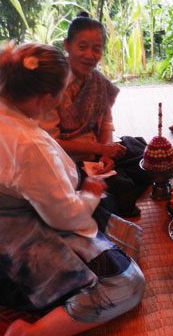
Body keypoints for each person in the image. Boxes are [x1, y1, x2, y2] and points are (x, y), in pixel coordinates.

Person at [0, 42, 146, 336]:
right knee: (128, 286)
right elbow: (65, 219)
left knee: (114, 214)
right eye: (57, 98)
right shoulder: (26, 145)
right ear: (44, 99)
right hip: (5, 265)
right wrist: (90, 191)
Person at [40, 12, 149, 221]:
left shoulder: (98, 81)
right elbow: (50, 142)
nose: (90, 55)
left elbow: (106, 124)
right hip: (67, 162)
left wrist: (107, 155)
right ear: (67, 45)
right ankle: (115, 195)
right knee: (115, 197)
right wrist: (100, 149)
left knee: (148, 158)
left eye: (96, 48)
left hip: (97, 154)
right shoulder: (52, 85)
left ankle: (115, 190)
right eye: (82, 47)